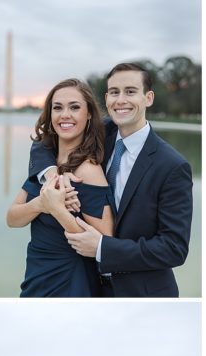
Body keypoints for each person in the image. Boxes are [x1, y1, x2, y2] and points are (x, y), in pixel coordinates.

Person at [59, 60, 194, 298]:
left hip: (143, 295)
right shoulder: (100, 134)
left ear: (148, 98)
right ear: (107, 98)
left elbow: (174, 248)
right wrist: (50, 173)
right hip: (88, 287)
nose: (120, 100)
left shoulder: (173, 167)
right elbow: (45, 139)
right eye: (114, 92)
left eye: (130, 91)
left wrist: (102, 249)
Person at [8, 79, 113, 298]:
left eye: (74, 107)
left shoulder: (88, 171)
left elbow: (103, 242)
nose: (65, 114)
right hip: (36, 273)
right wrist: (41, 203)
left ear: (89, 114)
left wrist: (57, 210)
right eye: (58, 107)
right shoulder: (46, 166)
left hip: (70, 280)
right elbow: (12, 218)